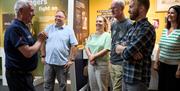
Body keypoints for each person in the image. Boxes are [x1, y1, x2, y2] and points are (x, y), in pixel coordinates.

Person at [4, 0, 47, 91]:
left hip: (25, 75)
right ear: (21, 11)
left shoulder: (24, 27)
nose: (34, 14)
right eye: (31, 10)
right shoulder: (15, 28)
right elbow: (28, 52)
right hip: (18, 76)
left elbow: (30, 46)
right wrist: (40, 40)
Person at [115, 0, 156, 91]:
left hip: (137, 80)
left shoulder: (146, 28)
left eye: (131, 7)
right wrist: (126, 49)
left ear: (141, 8)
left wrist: (125, 50)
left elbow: (126, 54)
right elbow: (116, 47)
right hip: (126, 76)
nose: (128, 10)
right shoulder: (133, 26)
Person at [40, 10, 78, 91]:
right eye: (56, 16)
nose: (57, 18)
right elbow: (42, 41)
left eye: (60, 16)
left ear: (65, 18)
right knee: (47, 85)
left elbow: (74, 45)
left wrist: (71, 59)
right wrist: (43, 56)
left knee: (62, 85)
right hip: (48, 62)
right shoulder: (49, 28)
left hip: (62, 64)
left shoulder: (69, 30)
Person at [153, 5, 180, 91]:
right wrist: (156, 61)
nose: (169, 14)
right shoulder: (165, 29)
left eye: (172, 13)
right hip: (162, 65)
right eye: (168, 12)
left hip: (174, 68)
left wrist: (179, 70)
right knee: (161, 87)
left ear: (178, 15)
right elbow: (160, 47)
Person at [109, 0, 132, 91]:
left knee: (116, 89)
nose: (112, 10)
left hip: (121, 63)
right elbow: (113, 42)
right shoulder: (113, 24)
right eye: (111, 8)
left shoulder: (129, 24)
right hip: (112, 61)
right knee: (115, 87)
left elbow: (129, 45)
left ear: (122, 9)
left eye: (114, 8)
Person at [85, 16, 111, 91]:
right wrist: (90, 56)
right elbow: (86, 46)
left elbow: (106, 49)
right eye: (97, 21)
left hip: (102, 65)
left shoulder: (107, 35)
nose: (98, 23)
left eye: (100, 21)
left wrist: (93, 57)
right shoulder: (91, 35)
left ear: (104, 24)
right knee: (93, 86)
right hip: (91, 64)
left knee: (102, 87)